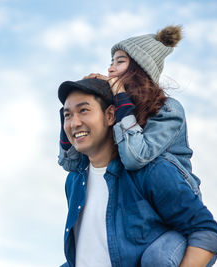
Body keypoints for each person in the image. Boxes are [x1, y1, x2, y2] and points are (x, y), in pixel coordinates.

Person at [58, 78, 217, 267]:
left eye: (83, 110)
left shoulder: (152, 171)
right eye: (67, 115)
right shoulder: (73, 181)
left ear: (110, 116)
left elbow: (206, 232)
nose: (74, 123)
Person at [58, 25, 201, 196]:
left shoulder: (168, 109)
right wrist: (74, 105)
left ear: (138, 69)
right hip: (131, 203)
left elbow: (135, 157)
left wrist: (120, 95)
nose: (110, 69)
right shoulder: (115, 108)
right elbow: (71, 164)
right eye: (111, 63)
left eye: (119, 62)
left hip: (174, 201)